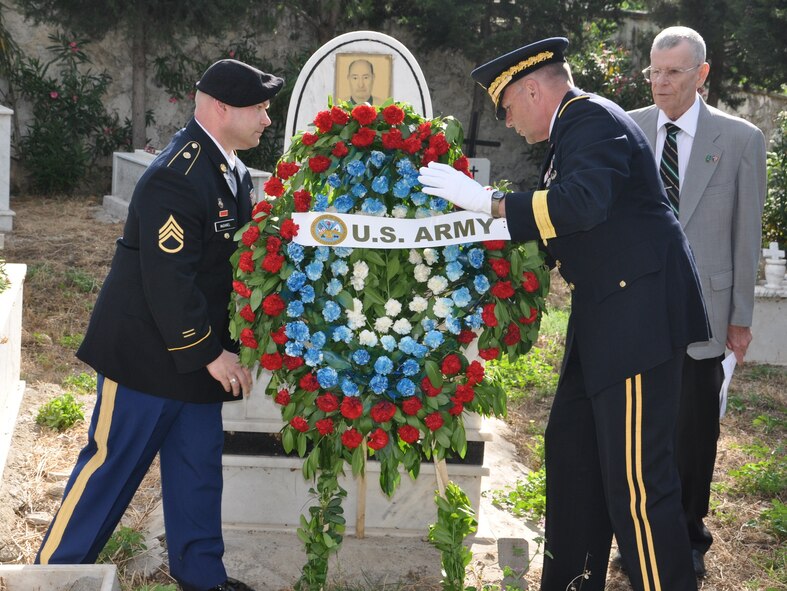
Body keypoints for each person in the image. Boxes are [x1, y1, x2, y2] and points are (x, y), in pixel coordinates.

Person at [418, 37, 710, 591]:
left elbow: (581, 204)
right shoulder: (575, 129)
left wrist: (490, 202)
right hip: (606, 319)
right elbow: (568, 223)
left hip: (636, 324)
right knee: (575, 460)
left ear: (533, 89)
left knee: (638, 485)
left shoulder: (590, 120)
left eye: (506, 108)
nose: (507, 122)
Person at [35, 59, 283, 591]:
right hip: (146, 359)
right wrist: (213, 353)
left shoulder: (229, 166)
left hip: (196, 358)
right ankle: (48, 578)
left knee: (197, 475)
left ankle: (201, 577)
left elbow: (221, 268)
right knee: (108, 472)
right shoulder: (178, 174)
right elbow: (167, 278)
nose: (267, 119)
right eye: (259, 108)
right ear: (221, 107)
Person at [628, 26, 767, 578]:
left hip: (704, 315)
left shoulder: (739, 140)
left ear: (701, 75)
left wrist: (740, 318)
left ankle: (687, 536)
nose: (661, 83)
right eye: (654, 72)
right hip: (636, 311)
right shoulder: (629, 130)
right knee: (639, 429)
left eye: (674, 72)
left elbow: (746, 234)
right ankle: (638, 533)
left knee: (692, 433)